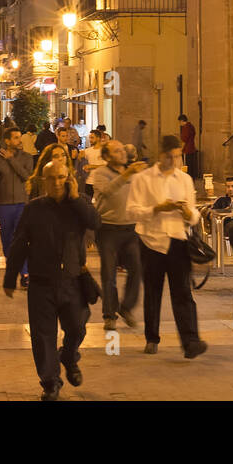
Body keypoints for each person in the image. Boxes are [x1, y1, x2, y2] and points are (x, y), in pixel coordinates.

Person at [2, 156, 99, 401]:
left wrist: (76, 198)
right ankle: (50, 383)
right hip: (41, 283)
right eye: (52, 178)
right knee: (43, 336)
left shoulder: (79, 204)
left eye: (61, 177)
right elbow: (19, 242)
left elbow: (95, 222)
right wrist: (10, 275)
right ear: (43, 181)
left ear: (69, 179)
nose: (57, 182)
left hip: (73, 281)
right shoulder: (33, 208)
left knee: (77, 327)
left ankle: (68, 355)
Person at [126, 134, 207, 358]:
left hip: (178, 240)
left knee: (182, 293)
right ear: (161, 155)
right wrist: (156, 209)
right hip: (151, 241)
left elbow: (194, 216)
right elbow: (132, 211)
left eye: (177, 157)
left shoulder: (184, 180)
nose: (175, 161)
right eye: (170, 157)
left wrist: (187, 212)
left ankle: (191, 341)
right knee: (153, 292)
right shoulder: (143, 179)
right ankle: (152, 337)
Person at [90, 139, 146, 331]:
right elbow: (107, 191)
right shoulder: (99, 173)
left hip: (130, 229)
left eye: (123, 149)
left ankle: (127, 307)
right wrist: (129, 174)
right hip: (108, 229)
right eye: (116, 151)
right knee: (109, 273)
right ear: (106, 156)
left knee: (137, 268)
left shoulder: (133, 173)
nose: (122, 153)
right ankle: (109, 314)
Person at [0, 124, 35, 288]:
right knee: (7, 241)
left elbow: (27, 176)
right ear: (6, 141)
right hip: (4, 205)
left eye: (19, 137)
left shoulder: (27, 157)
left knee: (20, 239)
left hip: (22, 204)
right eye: (15, 137)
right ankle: (15, 267)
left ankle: (25, 273)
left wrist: (11, 159)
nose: (19, 140)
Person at [210, 175, 233, 258]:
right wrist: (224, 211)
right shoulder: (221, 200)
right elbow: (212, 213)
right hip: (227, 226)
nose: (230, 189)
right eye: (228, 186)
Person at [178, 113, 200, 179]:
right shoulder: (191, 126)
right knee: (191, 166)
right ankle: (191, 179)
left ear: (182, 121)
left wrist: (181, 150)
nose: (179, 124)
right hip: (192, 149)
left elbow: (185, 140)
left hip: (187, 150)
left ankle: (188, 179)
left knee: (187, 167)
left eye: (179, 122)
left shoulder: (186, 128)